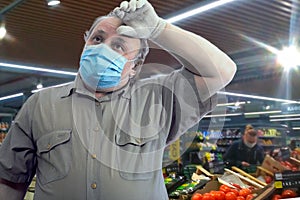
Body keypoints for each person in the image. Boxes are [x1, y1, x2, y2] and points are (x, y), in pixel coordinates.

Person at [0, 0, 236, 199]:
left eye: (119, 45)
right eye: (98, 39)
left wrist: (157, 29)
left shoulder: (158, 98)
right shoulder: (40, 105)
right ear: (85, 42)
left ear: (136, 66)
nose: (104, 49)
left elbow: (222, 70)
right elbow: (10, 180)